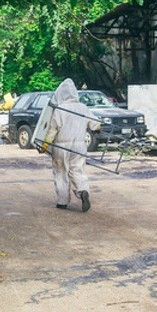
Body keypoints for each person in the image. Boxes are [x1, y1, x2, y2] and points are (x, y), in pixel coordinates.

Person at [39, 78, 101, 212]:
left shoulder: (59, 109)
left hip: (61, 146)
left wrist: (44, 146)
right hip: (79, 145)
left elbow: (52, 130)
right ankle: (83, 191)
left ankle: (62, 201)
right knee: (78, 169)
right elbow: (95, 125)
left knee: (61, 171)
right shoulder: (83, 108)